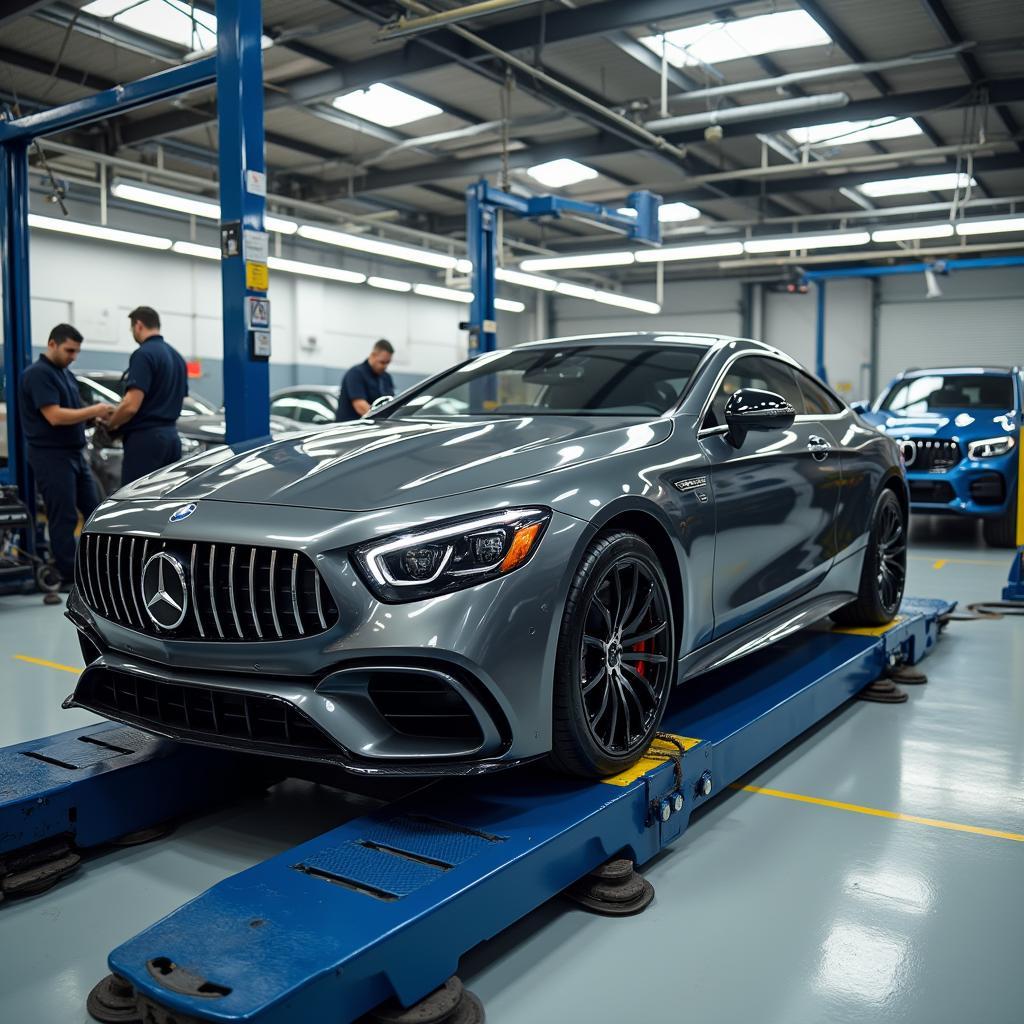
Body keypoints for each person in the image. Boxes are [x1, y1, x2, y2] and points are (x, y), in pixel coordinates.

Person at [18, 324, 114, 590]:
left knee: (94, 510)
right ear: (52, 344)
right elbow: (55, 416)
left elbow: (73, 412)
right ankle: (67, 576)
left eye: (76, 352)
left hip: (74, 453)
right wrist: (94, 409)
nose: (73, 356)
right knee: (64, 517)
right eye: (69, 350)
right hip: (51, 456)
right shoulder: (38, 375)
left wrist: (95, 417)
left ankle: (93, 568)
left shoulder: (65, 375)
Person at [106, 306, 188, 485]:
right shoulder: (177, 358)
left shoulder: (143, 354)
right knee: (165, 499)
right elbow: (179, 398)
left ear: (138, 325)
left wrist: (110, 425)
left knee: (136, 498)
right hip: (172, 438)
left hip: (145, 441)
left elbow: (130, 405)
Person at [336, 339, 395, 421]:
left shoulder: (386, 377)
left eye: (388, 362)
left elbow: (390, 402)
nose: (385, 366)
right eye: (382, 362)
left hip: (375, 426)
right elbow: (360, 407)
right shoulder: (356, 374)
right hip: (351, 428)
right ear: (373, 355)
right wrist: (383, 420)